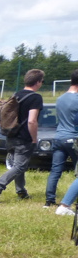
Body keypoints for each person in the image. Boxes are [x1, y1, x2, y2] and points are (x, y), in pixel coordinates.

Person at [0, 69, 45, 203]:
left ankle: (21, 191)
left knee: (18, 165)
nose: (42, 83)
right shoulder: (36, 97)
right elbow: (32, 120)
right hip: (24, 137)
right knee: (19, 166)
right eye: (42, 81)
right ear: (37, 82)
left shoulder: (16, 95)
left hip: (11, 135)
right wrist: (34, 138)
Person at [46, 69, 78, 207]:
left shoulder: (60, 98)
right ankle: (70, 201)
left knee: (55, 170)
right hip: (74, 138)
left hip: (59, 137)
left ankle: (49, 200)